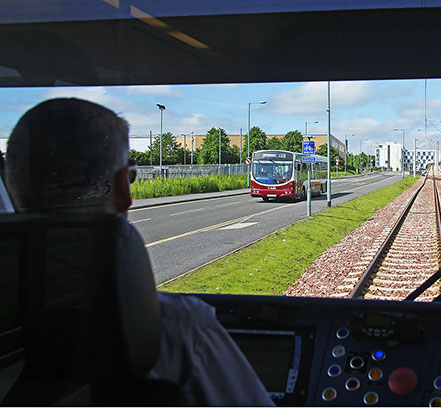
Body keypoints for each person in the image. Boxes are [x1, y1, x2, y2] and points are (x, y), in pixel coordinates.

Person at [4, 98, 273, 406]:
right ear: (123, 190)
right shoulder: (174, 329)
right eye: (130, 176)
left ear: (11, 189)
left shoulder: (12, 319)